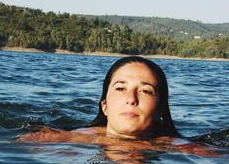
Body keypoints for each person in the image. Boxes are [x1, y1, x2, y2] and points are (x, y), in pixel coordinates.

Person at [18, 56, 218, 156]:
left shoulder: (184, 149)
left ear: (159, 110)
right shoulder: (67, 138)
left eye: (146, 91)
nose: (131, 98)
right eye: (121, 88)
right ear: (104, 105)